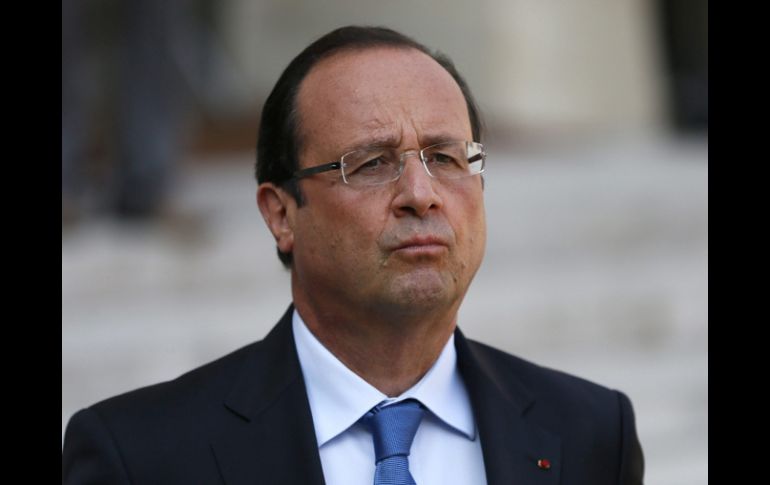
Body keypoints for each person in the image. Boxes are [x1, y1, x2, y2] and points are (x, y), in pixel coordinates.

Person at [62, 26, 645, 484]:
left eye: (445, 158)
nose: (420, 194)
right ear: (281, 214)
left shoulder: (592, 434)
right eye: (370, 164)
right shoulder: (140, 456)